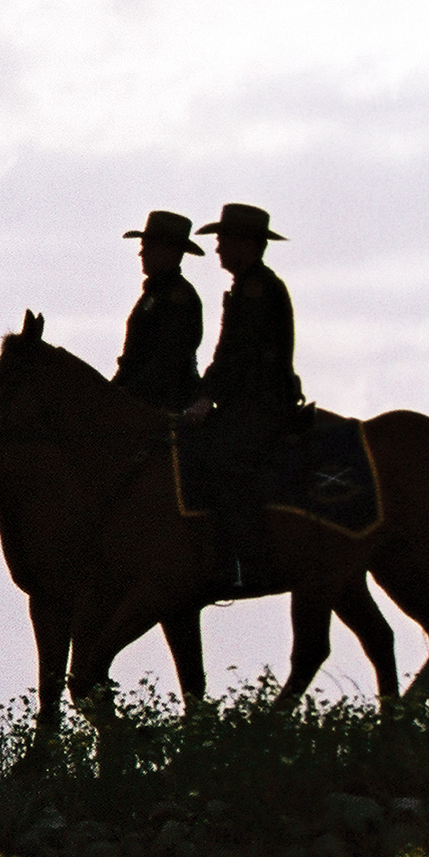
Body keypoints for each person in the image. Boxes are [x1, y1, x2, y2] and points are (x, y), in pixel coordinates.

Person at [181, 203, 301, 594]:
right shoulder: (248, 286)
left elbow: (242, 355)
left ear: (247, 245)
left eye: (224, 240)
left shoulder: (257, 289)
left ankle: (246, 561)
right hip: (247, 401)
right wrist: (206, 394)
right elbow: (226, 356)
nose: (217, 248)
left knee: (222, 460)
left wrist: (208, 399)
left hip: (262, 404)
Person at [111, 209, 205, 412]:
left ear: (170, 252)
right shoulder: (154, 293)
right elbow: (132, 359)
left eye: (148, 247)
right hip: (142, 398)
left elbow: (168, 360)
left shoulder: (179, 297)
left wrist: (128, 395)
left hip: (167, 404)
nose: (141, 253)